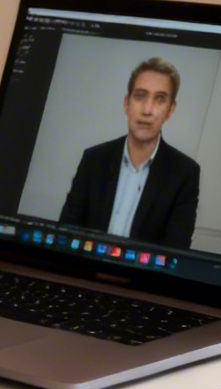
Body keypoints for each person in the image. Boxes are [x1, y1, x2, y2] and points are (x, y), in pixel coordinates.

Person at [57, 57, 201, 247]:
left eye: (160, 99)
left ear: (170, 110)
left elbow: (175, 252)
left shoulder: (185, 173)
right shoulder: (94, 159)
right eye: (140, 96)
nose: (147, 110)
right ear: (127, 103)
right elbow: (66, 232)